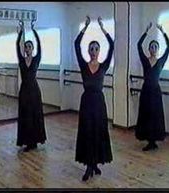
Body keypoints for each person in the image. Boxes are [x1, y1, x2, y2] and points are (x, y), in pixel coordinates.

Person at [75, 16, 114, 181]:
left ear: (99, 51)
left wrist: (103, 28)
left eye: (96, 49)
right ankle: (89, 165)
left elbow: (112, 45)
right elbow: (76, 44)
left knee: (98, 131)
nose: (93, 51)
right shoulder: (84, 65)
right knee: (87, 132)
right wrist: (84, 27)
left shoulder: (104, 65)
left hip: (99, 103)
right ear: (88, 51)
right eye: (91, 49)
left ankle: (95, 163)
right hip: (87, 102)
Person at [135, 22, 169, 151]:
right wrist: (146, 31)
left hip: (155, 92)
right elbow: (138, 45)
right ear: (149, 49)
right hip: (146, 91)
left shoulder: (161, 61)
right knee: (146, 115)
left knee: (155, 115)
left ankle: (153, 141)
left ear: (157, 49)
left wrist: (162, 31)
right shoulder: (145, 60)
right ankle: (149, 140)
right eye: (152, 47)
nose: (154, 48)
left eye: (156, 47)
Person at [16, 20, 46, 152]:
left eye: (29, 46)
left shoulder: (36, 58)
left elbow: (40, 45)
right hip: (24, 90)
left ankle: (34, 141)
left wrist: (34, 31)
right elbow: (17, 45)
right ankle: (27, 141)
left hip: (34, 90)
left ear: (32, 49)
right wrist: (22, 31)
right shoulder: (22, 60)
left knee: (34, 115)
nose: (27, 48)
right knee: (25, 115)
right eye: (26, 47)